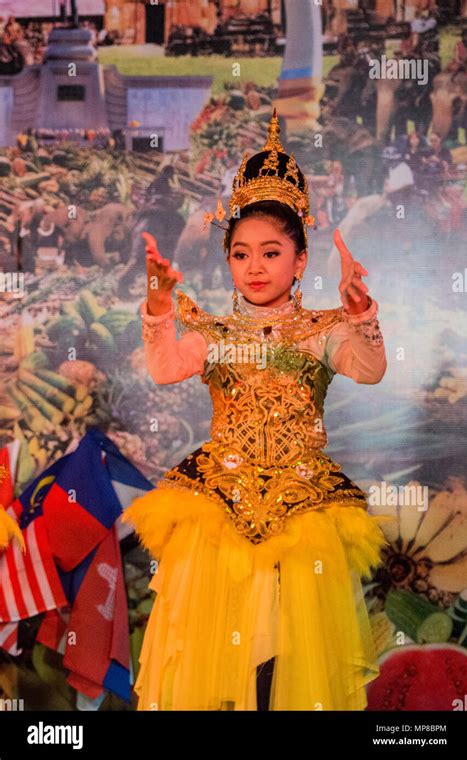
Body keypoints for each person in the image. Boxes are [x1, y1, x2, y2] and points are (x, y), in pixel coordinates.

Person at [121, 109, 393, 711]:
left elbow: (370, 370)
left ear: (299, 261)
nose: (256, 266)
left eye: (272, 252)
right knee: (217, 672)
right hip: (218, 513)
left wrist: (359, 313)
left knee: (288, 675)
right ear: (228, 261)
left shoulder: (320, 329)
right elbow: (165, 368)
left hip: (303, 519)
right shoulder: (212, 331)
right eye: (241, 254)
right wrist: (160, 306)